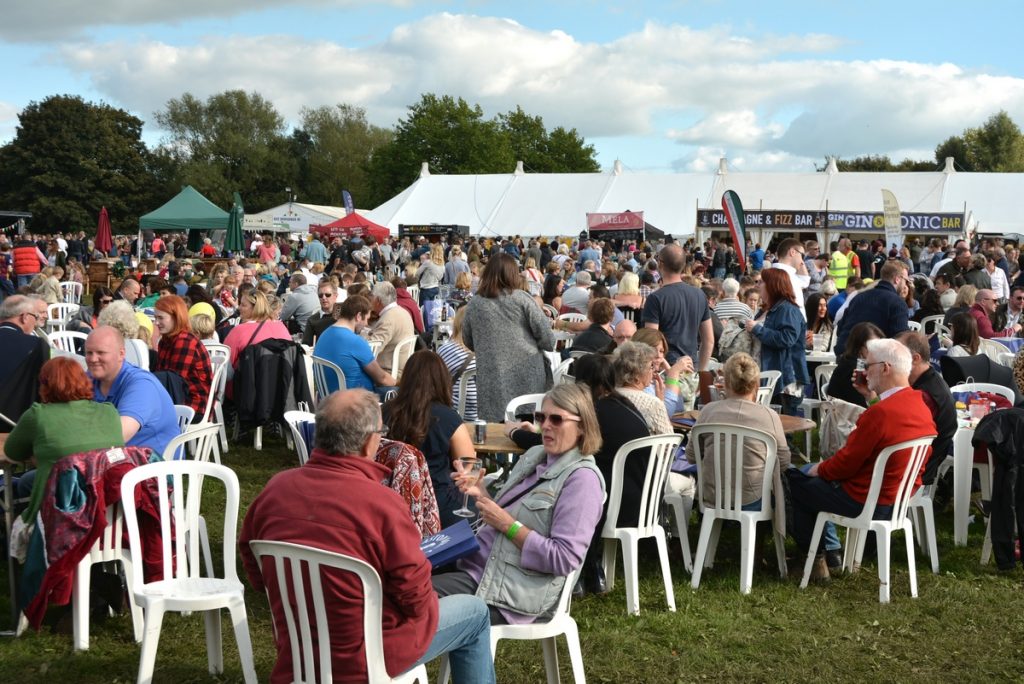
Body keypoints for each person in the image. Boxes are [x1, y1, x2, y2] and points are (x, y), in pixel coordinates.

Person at [239, 389, 495, 683]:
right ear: (369, 441)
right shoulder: (382, 505)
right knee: (475, 612)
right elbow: (416, 599)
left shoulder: (274, 491)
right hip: (369, 655)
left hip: (299, 649)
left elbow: (256, 571)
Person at [433, 383, 605, 623]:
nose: (545, 425)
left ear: (583, 427)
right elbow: (508, 515)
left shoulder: (582, 481)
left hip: (507, 591)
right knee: (405, 575)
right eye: (541, 417)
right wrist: (481, 494)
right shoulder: (537, 456)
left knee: (411, 597)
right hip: (478, 565)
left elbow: (564, 558)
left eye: (556, 419)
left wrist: (507, 525)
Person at [788, 339, 937, 581]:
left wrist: (819, 469)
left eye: (868, 366)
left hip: (865, 500)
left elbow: (846, 463)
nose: (864, 372)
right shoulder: (920, 404)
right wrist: (870, 396)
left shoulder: (881, 414)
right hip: (897, 499)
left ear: (885, 368)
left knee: (793, 481)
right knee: (806, 477)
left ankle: (814, 559)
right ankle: (829, 553)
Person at [3, 357, 125, 524]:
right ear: (84, 380)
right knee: (26, 482)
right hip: (109, 517)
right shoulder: (110, 412)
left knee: (25, 486)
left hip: (60, 521)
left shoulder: (38, 415)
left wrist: (41, 453)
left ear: (45, 385)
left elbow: (12, 453)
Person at [687, 352, 790, 531]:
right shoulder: (769, 416)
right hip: (753, 498)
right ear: (757, 384)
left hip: (712, 495)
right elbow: (784, 461)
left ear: (725, 382)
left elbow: (691, 456)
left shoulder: (708, 412)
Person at [383, 351, 476, 528]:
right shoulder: (448, 417)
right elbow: (467, 462)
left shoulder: (385, 411)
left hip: (391, 497)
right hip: (438, 503)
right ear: (442, 380)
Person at [462, 254, 555, 422]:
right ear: (512, 273)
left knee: (497, 427)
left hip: (493, 377)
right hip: (528, 376)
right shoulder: (522, 299)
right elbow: (548, 340)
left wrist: (489, 347)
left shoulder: (475, 304)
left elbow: (468, 340)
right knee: (531, 428)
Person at [86, 326, 179, 456]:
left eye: (101, 352)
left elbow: (116, 436)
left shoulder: (141, 385)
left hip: (154, 463)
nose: (93, 359)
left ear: (121, 354)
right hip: (117, 456)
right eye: (89, 353)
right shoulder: (91, 377)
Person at [894, 331, 957, 487]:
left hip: (911, 476)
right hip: (917, 467)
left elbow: (894, 436)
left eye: (897, 357)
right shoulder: (930, 380)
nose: (892, 362)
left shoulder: (924, 396)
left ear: (915, 359)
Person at [745, 268, 808, 416]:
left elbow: (787, 338)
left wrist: (757, 329)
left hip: (784, 380)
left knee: (783, 425)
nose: (758, 285)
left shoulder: (788, 309)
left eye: (762, 282)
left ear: (772, 285)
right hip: (769, 376)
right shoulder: (768, 309)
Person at [643, 243, 713, 370]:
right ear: (683, 265)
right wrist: (700, 371)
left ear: (660, 264)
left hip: (666, 370)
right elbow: (708, 340)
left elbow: (651, 343)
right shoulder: (699, 294)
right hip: (691, 367)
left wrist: (669, 371)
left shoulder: (655, 298)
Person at [314, 294, 397, 394]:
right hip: (357, 400)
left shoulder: (324, 335)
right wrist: (399, 382)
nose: (366, 324)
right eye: (366, 319)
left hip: (328, 399)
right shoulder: (355, 341)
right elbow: (382, 379)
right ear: (358, 316)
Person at [153, 295, 213, 417]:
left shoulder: (184, 341)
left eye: (161, 318)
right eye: (155, 318)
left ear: (176, 317)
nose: (156, 322)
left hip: (193, 406)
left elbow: (174, 384)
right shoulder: (165, 340)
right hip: (178, 399)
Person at [833, 260, 910, 356]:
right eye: (906, 280)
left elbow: (840, 328)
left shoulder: (858, 297)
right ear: (897, 279)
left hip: (845, 355)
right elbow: (901, 339)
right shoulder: (897, 303)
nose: (906, 285)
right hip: (874, 359)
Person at [0, 295, 51, 430]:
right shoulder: (36, 345)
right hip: (16, 427)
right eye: (35, 316)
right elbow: (45, 389)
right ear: (24, 317)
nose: (35, 322)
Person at [612, 341, 673, 434]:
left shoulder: (606, 397)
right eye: (651, 366)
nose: (653, 370)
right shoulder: (653, 403)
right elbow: (669, 438)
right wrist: (660, 401)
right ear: (637, 374)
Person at [223, 290, 292, 369]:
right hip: (281, 374)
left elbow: (225, 365)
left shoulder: (239, 331)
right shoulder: (281, 326)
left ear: (255, 308)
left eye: (243, 305)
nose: (239, 308)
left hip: (250, 375)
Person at [437, 306, 478, 420]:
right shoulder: (492, 354)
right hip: (488, 418)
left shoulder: (446, 350)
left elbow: (436, 386)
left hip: (455, 417)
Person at [367, 281, 416, 377]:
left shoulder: (388, 319)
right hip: (403, 367)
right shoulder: (403, 311)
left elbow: (372, 350)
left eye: (372, 297)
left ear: (378, 300)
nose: (370, 300)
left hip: (390, 372)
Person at [772, 238, 811, 313]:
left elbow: (805, 281)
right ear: (792, 252)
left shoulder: (789, 275)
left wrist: (800, 261)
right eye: (802, 255)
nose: (802, 261)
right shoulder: (781, 276)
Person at [301, 279, 338, 345]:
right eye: (320, 295)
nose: (323, 298)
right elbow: (306, 345)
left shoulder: (343, 316)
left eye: (327, 295)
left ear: (335, 296)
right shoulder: (312, 320)